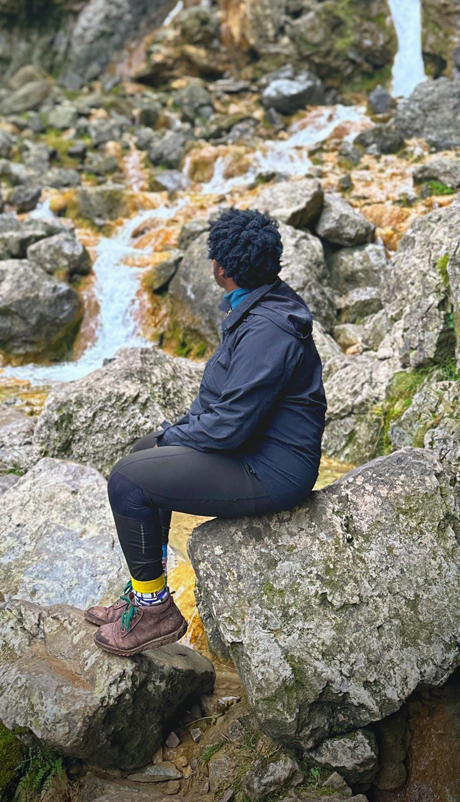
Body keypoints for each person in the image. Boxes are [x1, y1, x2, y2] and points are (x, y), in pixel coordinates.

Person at [88, 207, 327, 656]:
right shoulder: (258, 305)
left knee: (128, 481)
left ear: (220, 269)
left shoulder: (268, 328)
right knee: (145, 452)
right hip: (254, 450)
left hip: (270, 471)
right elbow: (225, 407)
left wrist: (176, 436)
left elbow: (231, 426)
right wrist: (170, 436)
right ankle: (145, 590)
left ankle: (155, 612)